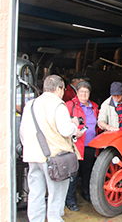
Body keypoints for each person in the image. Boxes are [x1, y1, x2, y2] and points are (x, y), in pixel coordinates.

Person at [19, 75, 82, 222]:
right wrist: (74, 125)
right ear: (59, 89)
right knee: (56, 196)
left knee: (35, 194)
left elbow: (23, 131)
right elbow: (66, 130)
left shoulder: (30, 104)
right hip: (55, 159)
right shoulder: (58, 105)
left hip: (33, 157)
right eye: (63, 89)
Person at [65, 81, 99, 211]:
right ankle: (71, 200)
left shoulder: (94, 107)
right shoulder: (69, 105)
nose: (84, 94)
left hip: (90, 145)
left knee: (88, 172)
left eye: (86, 92)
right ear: (77, 93)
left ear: (89, 93)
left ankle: (86, 194)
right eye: (81, 92)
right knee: (73, 174)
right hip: (75, 146)